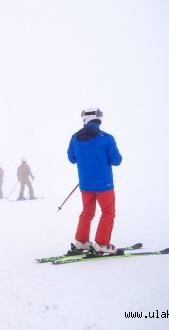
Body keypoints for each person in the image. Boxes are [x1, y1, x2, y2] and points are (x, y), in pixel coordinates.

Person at [67, 107, 123, 254]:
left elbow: (72, 158)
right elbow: (116, 160)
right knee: (108, 212)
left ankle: (81, 241)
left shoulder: (75, 138)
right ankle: (102, 243)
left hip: (85, 184)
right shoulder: (107, 138)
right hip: (104, 184)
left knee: (87, 212)